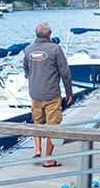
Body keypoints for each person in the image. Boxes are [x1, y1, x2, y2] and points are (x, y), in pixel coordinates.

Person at [23, 22, 73, 167]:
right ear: (49, 34)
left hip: (35, 94)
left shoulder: (28, 50)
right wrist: (69, 92)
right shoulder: (55, 49)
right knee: (52, 126)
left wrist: (34, 79)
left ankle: (38, 150)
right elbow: (65, 73)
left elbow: (26, 70)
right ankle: (48, 159)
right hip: (52, 94)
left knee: (37, 122)